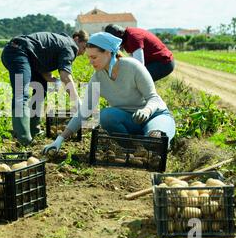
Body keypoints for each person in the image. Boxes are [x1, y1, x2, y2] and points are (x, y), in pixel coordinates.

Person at [42, 32, 176, 155]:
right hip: (129, 121)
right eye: (89, 58)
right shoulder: (97, 78)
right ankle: (132, 148)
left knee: (156, 139)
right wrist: (60, 139)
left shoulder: (133, 67)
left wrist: (147, 110)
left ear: (108, 52)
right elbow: (84, 111)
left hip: (154, 115)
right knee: (106, 116)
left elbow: (154, 98)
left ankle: (151, 139)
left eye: (94, 57)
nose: (91, 61)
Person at [1, 30, 89, 146]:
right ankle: (24, 140)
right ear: (77, 39)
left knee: (40, 89)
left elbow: (46, 73)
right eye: (83, 48)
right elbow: (65, 76)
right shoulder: (70, 46)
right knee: (20, 94)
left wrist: (55, 81)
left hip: (27, 56)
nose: (82, 53)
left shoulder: (60, 43)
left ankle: (34, 131)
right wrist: (77, 101)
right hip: (18, 52)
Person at [104, 24, 175, 81]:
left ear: (119, 34)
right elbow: (133, 60)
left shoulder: (133, 38)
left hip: (164, 63)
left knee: (136, 81)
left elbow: (139, 66)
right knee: (136, 82)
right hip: (157, 62)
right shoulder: (127, 36)